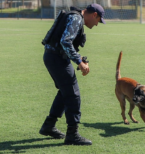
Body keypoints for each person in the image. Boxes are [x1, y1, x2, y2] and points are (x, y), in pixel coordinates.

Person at [39, 3, 105, 145]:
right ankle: (72, 134)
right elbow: (65, 41)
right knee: (73, 94)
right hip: (57, 59)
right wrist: (79, 62)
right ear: (94, 15)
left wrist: (80, 58)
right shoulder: (77, 19)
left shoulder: (74, 16)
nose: (97, 24)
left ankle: (48, 126)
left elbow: (63, 42)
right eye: (98, 20)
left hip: (53, 56)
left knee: (65, 92)